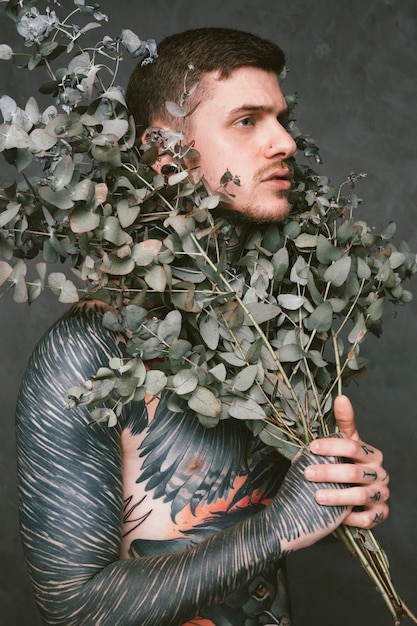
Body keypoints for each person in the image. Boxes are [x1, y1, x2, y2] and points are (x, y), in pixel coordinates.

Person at [16, 27, 389, 626]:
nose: (285, 142)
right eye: (247, 120)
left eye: (281, 118)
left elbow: (273, 512)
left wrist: (341, 490)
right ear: (166, 155)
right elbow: (73, 606)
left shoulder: (275, 324)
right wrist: (279, 527)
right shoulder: (87, 352)